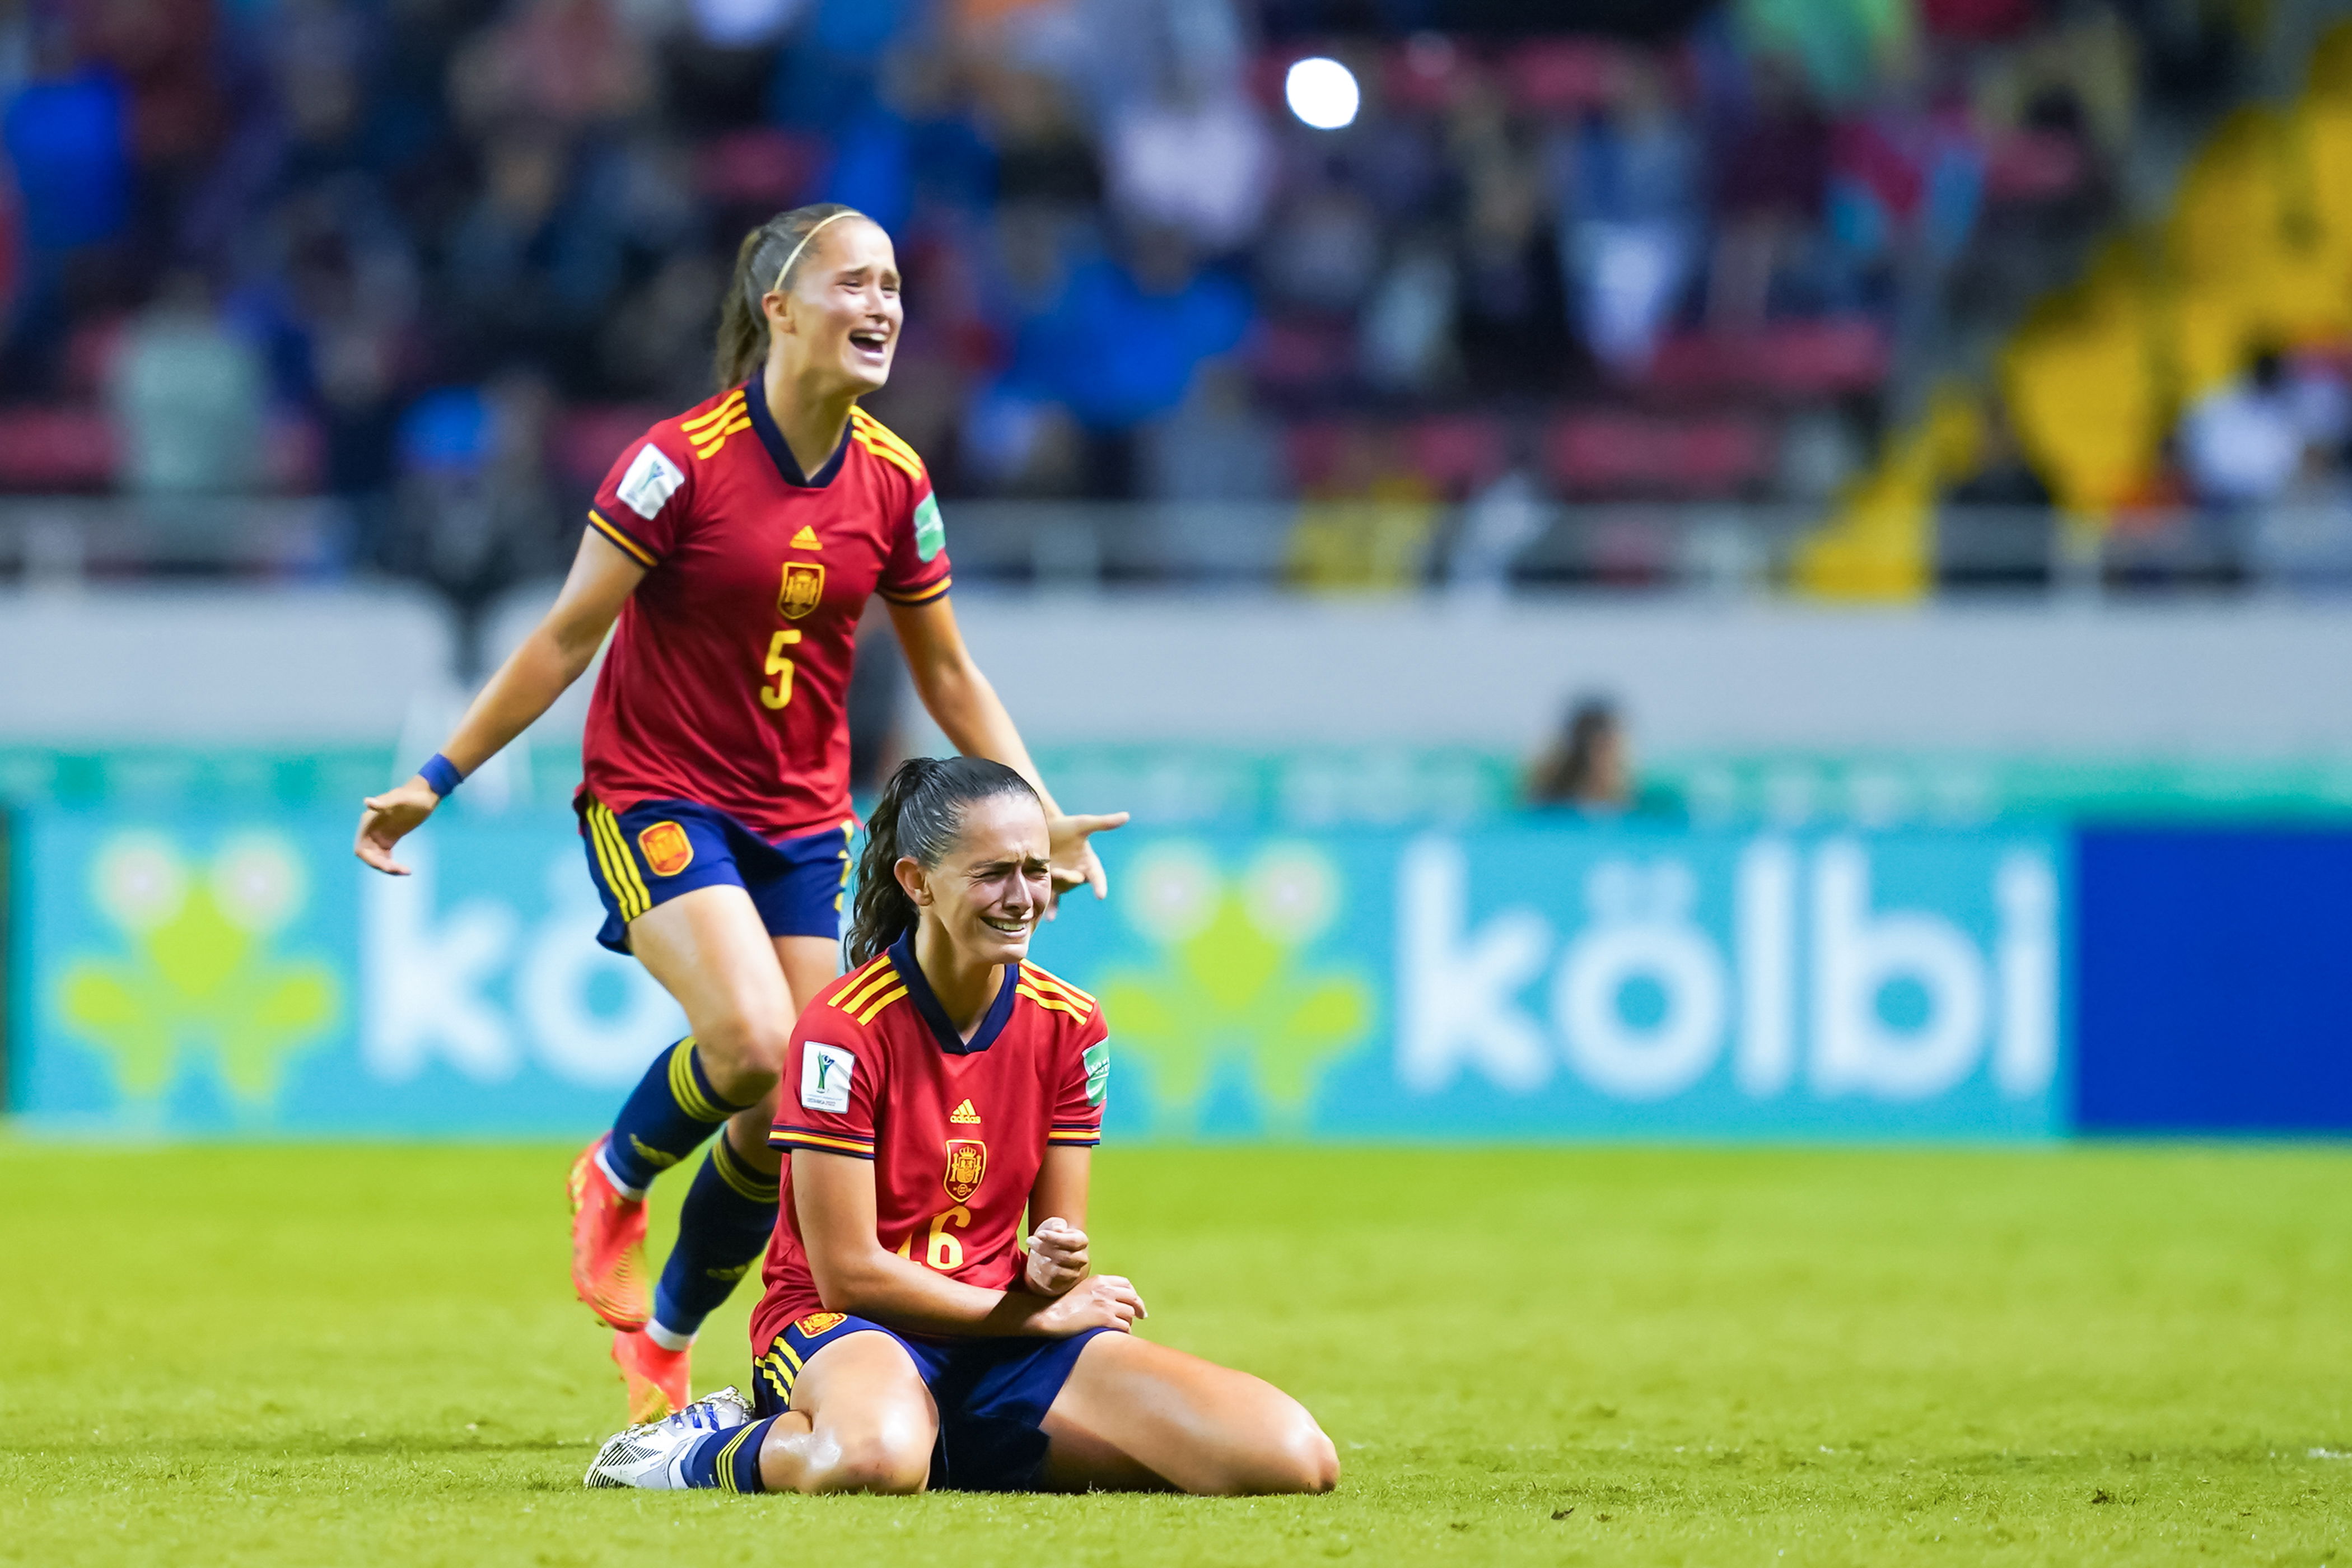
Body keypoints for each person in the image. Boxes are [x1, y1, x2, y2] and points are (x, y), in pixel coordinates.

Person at [352, 203, 1126, 1424]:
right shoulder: (676, 461)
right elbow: (565, 635)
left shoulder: (897, 477)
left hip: (805, 819)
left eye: (893, 287)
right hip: (655, 791)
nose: (883, 307)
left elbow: (948, 673)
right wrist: (436, 777)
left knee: (795, 1095)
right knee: (763, 1042)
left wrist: (1041, 813)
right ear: (779, 308)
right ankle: (615, 1168)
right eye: (854, 284)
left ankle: (665, 1330)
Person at [585, 757, 1339, 1496]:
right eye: (993, 873)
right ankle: (697, 1450)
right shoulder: (841, 1030)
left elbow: (1055, 1251)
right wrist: (1028, 1313)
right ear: (917, 883)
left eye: (1036, 871)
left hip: (1001, 1329)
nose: (1022, 898)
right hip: (843, 1327)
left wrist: (1053, 1269)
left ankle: (945, 1437)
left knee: (1293, 1458)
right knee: (871, 1462)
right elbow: (849, 1273)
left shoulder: (1073, 1025)